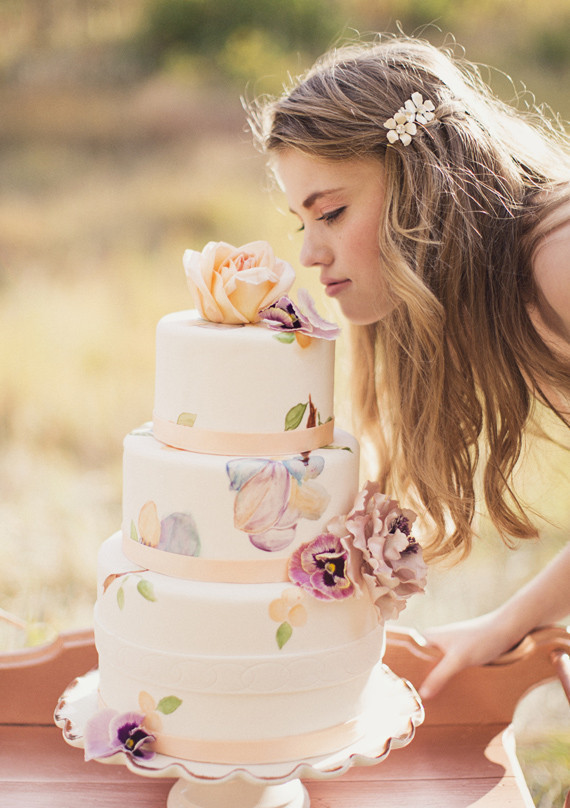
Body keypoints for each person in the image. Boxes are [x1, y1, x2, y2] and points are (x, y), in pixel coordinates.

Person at [248, 35, 570, 697]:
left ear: (422, 185)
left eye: (332, 213)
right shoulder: (500, 282)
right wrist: (506, 625)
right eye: (301, 222)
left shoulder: (558, 258)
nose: (310, 253)